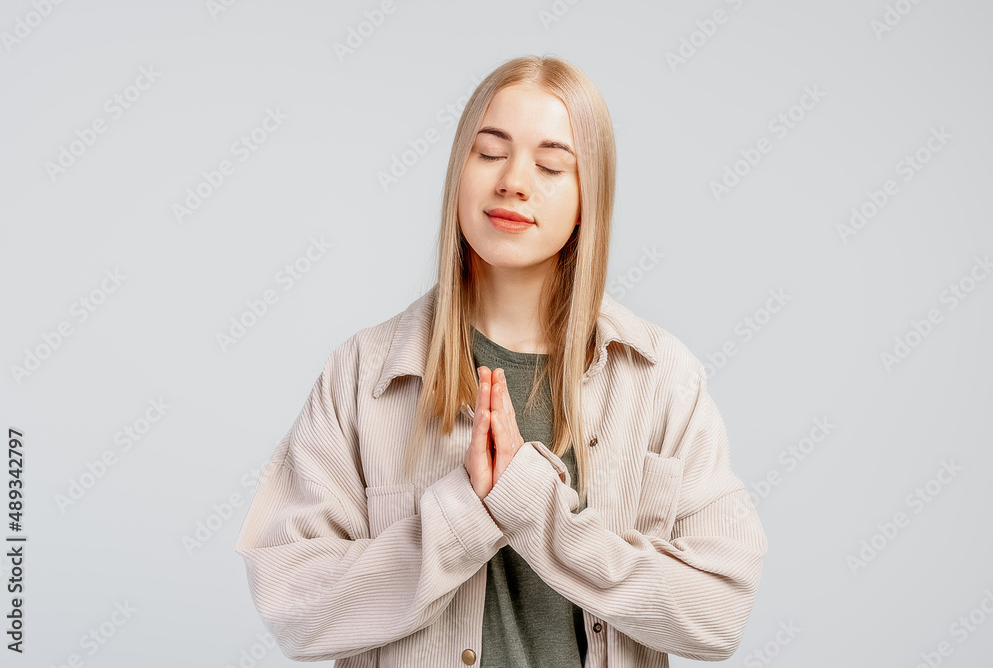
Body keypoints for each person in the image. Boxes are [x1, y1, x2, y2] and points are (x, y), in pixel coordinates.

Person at [235, 54, 768, 667]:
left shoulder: (661, 378)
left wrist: (528, 503)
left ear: (586, 197)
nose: (514, 181)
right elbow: (294, 606)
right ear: (457, 173)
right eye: (489, 153)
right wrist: (463, 515)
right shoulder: (360, 376)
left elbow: (718, 614)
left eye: (549, 164)